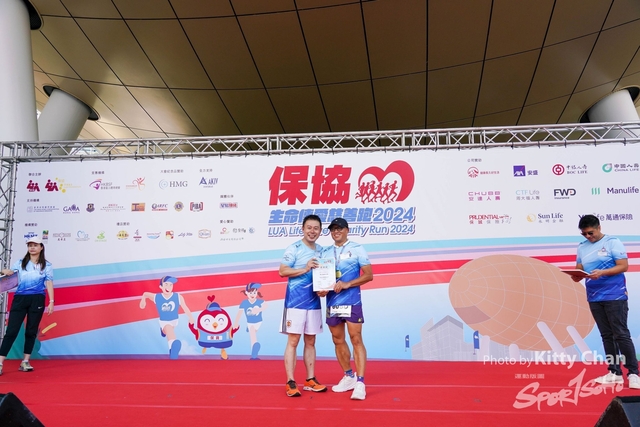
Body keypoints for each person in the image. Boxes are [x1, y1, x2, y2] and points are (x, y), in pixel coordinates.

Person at [571, 214, 639, 389]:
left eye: (590, 233)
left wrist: (602, 272)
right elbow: (580, 268)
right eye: (584, 234)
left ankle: (633, 373)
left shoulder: (612, 242)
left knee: (621, 334)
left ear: (599, 228)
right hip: (594, 296)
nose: (588, 236)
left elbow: (623, 266)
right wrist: (576, 276)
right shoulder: (582, 247)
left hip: (614, 295)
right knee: (606, 335)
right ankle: (614, 372)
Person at [320, 217, 373, 400]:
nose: (336, 232)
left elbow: (369, 275)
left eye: (340, 228)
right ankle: (349, 376)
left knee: (356, 338)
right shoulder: (325, 252)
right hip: (332, 302)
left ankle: (360, 383)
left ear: (347, 230)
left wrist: (347, 284)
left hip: (352, 301)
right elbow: (322, 276)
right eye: (333, 229)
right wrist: (321, 289)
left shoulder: (357, 248)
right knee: (337, 339)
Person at [279, 214, 327, 397]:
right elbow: (282, 271)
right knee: (293, 341)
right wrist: (305, 268)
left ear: (320, 231)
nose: (312, 231)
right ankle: (290, 381)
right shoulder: (294, 248)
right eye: (309, 228)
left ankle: (310, 379)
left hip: (313, 302)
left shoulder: (322, 251)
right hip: (295, 302)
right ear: (303, 229)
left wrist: (325, 289)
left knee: (311, 341)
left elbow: (326, 273)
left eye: (316, 228)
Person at [0, 235, 54, 375]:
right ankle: (0, 363)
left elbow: (49, 283)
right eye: (30, 245)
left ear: (41, 247)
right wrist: (4, 271)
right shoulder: (20, 263)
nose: (32, 248)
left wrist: (51, 302)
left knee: (31, 331)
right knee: (11, 331)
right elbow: (9, 275)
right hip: (20, 299)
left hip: (37, 299)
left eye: (35, 245)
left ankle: (25, 361)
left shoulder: (47, 265)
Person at [140, 275, 194, 360]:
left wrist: (191, 317)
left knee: (168, 331)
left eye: (170, 285)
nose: (168, 287)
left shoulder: (178, 297)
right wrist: (143, 300)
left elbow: (185, 307)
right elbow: (145, 294)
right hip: (164, 321)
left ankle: (165, 336)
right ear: (161, 287)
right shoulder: (157, 297)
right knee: (169, 329)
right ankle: (173, 347)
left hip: (174, 321)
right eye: (166, 284)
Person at [234, 282, 268, 360]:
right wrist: (236, 322)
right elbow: (239, 313)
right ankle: (254, 350)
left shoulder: (259, 301)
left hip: (258, 322)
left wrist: (259, 309)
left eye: (254, 293)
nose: (252, 294)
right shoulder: (244, 303)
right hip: (250, 323)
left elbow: (265, 306)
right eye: (250, 293)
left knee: (252, 331)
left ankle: (254, 349)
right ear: (246, 293)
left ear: (257, 293)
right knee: (252, 333)